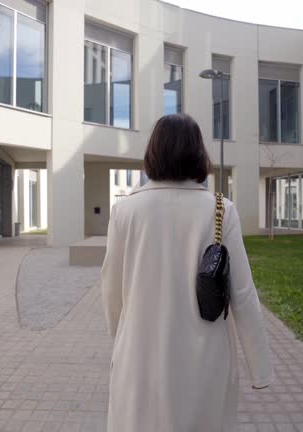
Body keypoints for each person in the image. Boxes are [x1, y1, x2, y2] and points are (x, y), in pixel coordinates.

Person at [101, 113, 275, 431]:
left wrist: (121, 338)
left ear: (153, 152)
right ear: (199, 153)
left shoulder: (124, 211)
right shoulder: (221, 209)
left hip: (140, 354)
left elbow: (111, 291)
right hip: (205, 355)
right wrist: (260, 369)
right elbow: (243, 294)